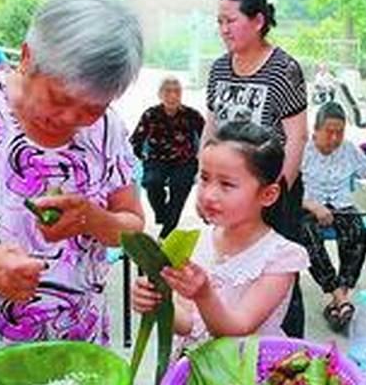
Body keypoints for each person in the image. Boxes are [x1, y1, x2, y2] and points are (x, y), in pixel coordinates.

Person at [0, 0, 144, 362]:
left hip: (75, 349)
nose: (70, 119)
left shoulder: (107, 129)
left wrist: (92, 219)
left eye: (92, 107)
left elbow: (133, 228)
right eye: (59, 99)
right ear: (27, 57)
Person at [131, 122, 309, 346]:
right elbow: (188, 325)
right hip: (191, 371)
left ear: (268, 195)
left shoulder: (281, 257)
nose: (209, 195)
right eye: (204, 179)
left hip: (245, 376)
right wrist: (156, 301)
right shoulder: (192, 236)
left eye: (226, 184)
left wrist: (204, 294)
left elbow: (237, 328)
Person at [205, 0, 309, 337]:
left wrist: (275, 190)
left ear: (258, 21)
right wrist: (204, 182)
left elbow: (296, 135)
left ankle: (287, 347)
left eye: (230, 20)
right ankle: (223, 330)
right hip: (230, 185)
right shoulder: (219, 69)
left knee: (277, 273)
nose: (223, 28)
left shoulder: (284, 68)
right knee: (228, 266)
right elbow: (211, 125)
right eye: (219, 21)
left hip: (270, 187)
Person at [301, 102, 366, 331]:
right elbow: (287, 189)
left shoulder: (348, 149)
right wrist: (314, 206)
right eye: (329, 131)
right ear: (315, 131)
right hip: (308, 206)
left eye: (340, 132)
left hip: (341, 205)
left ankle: (339, 298)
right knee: (306, 234)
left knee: (358, 231)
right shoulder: (302, 150)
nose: (335, 138)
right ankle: (339, 296)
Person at [130, 77, 205, 239]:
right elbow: (135, 140)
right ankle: (163, 215)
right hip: (157, 159)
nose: (172, 96)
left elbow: (207, 138)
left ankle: (166, 233)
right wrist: (142, 157)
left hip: (184, 161)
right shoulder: (151, 114)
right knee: (152, 182)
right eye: (167, 91)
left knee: (180, 186)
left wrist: (202, 160)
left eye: (177, 91)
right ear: (160, 94)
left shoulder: (191, 115)